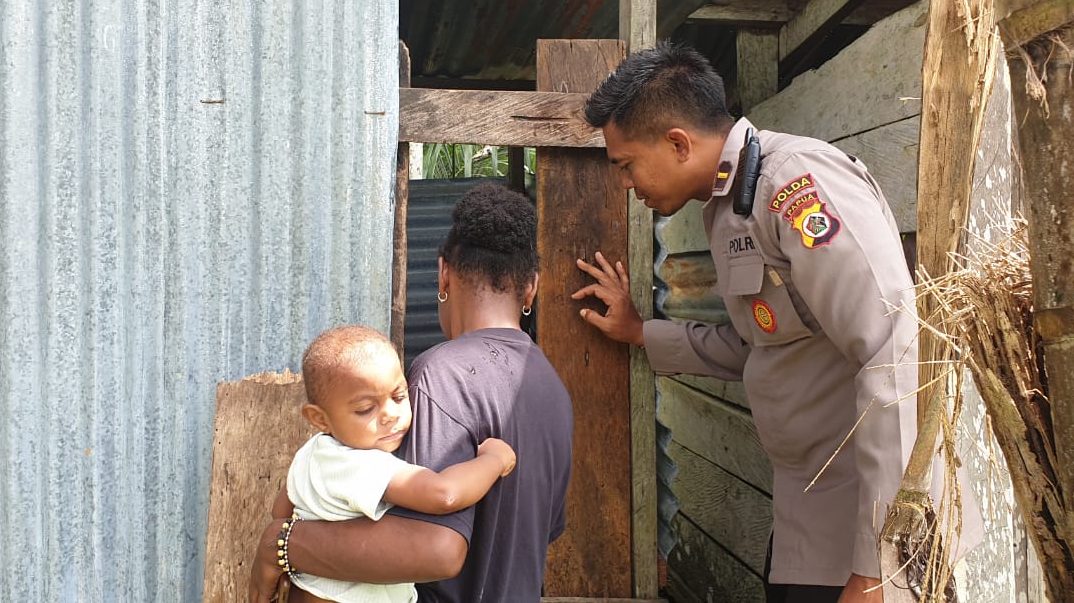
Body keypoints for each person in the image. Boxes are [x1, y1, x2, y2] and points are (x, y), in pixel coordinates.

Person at [571, 42, 981, 603]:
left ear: (678, 143)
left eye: (625, 164)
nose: (625, 183)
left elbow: (896, 350)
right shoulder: (728, 204)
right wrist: (641, 332)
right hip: (807, 516)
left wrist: (880, 566)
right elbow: (766, 346)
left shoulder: (795, 185)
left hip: (867, 529)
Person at [248, 184, 574, 603]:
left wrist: (282, 544)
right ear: (531, 288)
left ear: (443, 274)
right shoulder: (553, 390)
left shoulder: (444, 373)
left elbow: (437, 550)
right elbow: (535, 536)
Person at [272, 324, 517, 603]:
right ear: (319, 419)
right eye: (366, 409)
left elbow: (281, 512)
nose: (390, 414)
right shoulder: (358, 464)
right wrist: (493, 459)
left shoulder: (310, 454)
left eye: (399, 396)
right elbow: (444, 494)